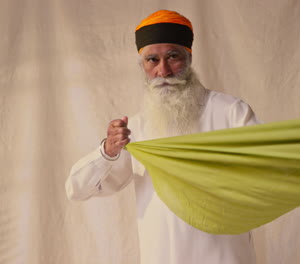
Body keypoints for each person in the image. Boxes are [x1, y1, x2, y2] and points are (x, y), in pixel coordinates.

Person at [66, 10, 259, 264]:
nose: (163, 70)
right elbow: (76, 190)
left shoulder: (232, 112)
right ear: (142, 65)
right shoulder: (135, 128)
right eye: (152, 60)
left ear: (189, 57)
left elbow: (266, 173)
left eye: (173, 56)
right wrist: (108, 151)